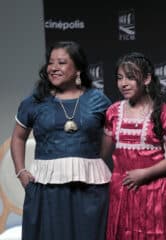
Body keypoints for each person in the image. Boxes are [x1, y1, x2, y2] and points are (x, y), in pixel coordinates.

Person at [11, 41, 112, 240]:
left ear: (78, 69)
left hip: (90, 189)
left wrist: (90, 160)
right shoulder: (34, 101)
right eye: (51, 63)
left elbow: (109, 137)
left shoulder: (98, 100)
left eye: (62, 62)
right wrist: (21, 172)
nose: (54, 68)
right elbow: (18, 137)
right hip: (47, 189)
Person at [102, 52, 166, 239]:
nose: (123, 83)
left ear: (146, 78)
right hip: (122, 192)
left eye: (130, 77)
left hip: (154, 192)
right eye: (119, 78)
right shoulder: (113, 111)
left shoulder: (162, 111)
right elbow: (101, 154)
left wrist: (144, 174)